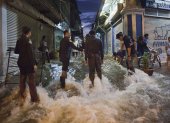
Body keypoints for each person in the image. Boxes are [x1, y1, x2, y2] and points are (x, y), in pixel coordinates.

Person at [15, 26, 39, 104]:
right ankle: (34, 99)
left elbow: (16, 51)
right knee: (31, 82)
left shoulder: (19, 40)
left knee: (22, 80)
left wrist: (22, 51)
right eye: (30, 32)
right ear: (28, 32)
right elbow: (30, 53)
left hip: (21, 63)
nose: (31, 33)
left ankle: (22, 96)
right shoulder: (28, 40)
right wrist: (34, 64)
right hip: (28, 64)